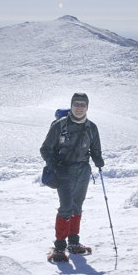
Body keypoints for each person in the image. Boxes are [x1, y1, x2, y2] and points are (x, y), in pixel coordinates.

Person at [40, 92, 104, 261]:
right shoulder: (60, 126)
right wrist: (55, 166)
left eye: (83, 104)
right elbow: (45, 149)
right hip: (64, 171)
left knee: (77, 206)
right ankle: (59, 246)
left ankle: (74, 242)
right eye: (76, 104)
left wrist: (98, 159)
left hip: (82, 171)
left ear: (87, 107)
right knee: (66, 206)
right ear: (71, 105)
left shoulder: (92, 127)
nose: (79, 107)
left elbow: (95, 149)